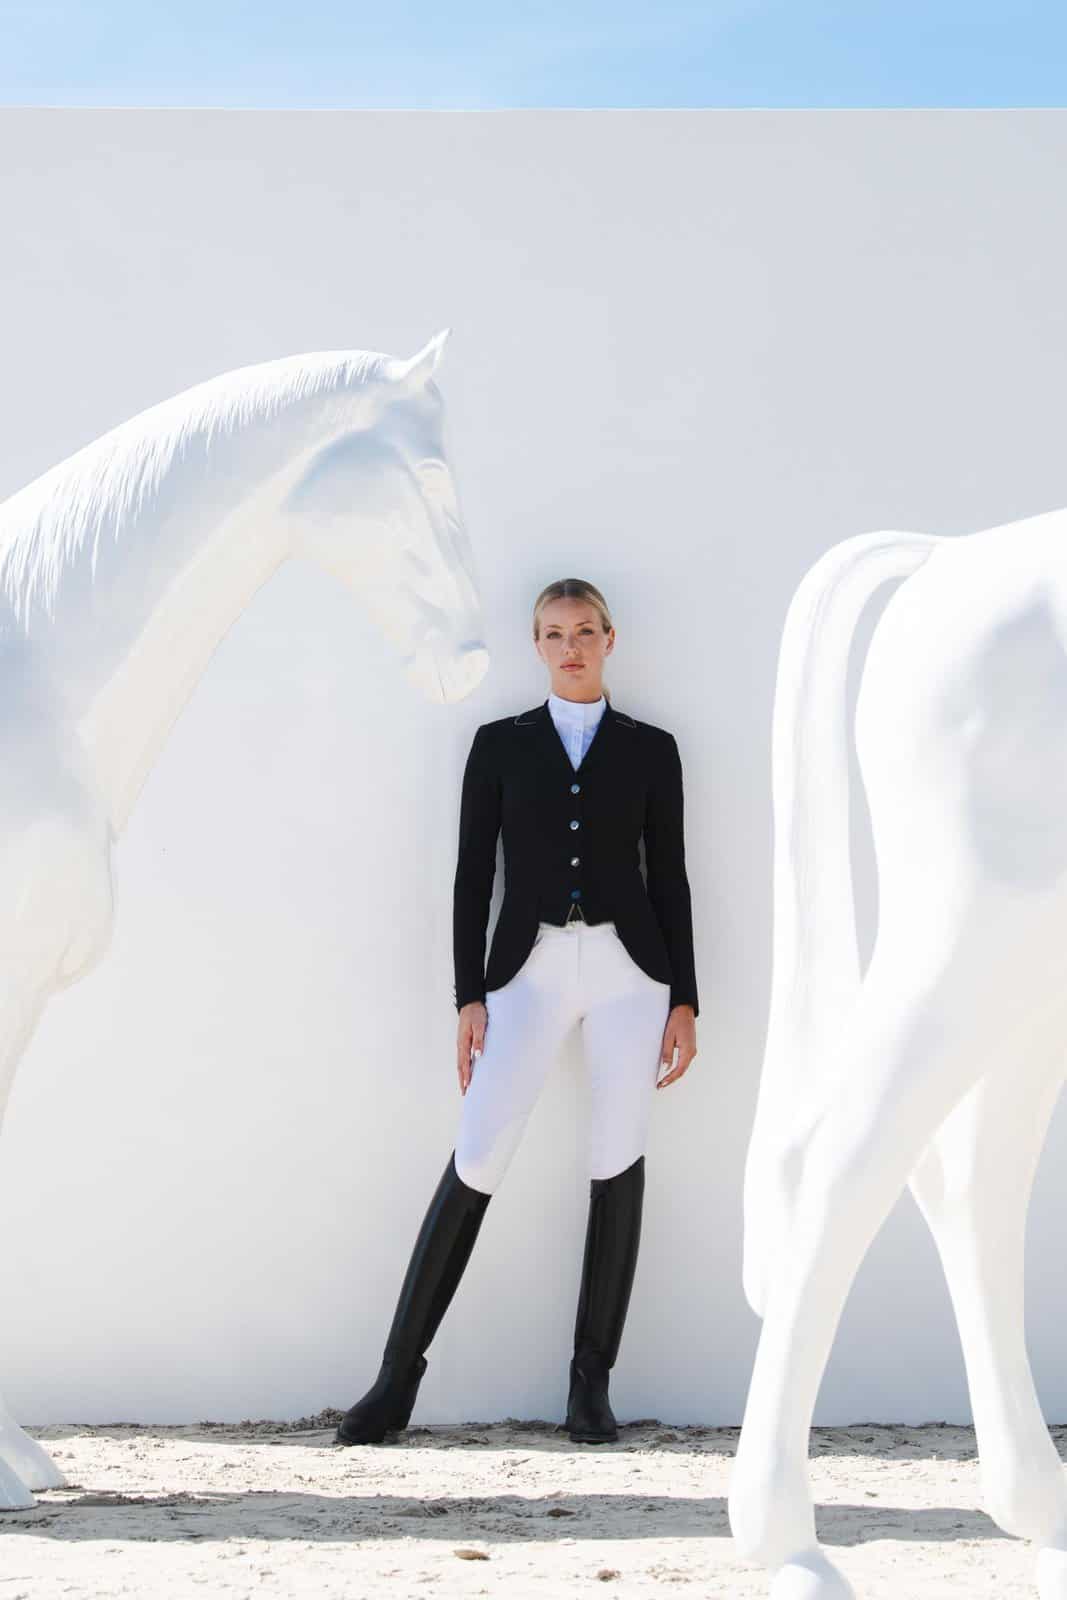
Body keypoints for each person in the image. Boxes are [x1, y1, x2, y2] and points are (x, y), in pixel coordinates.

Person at [335, 577, 699, 1447]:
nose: (570, 647)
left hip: (629, 973)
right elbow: (472, 876)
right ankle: (395, 1379)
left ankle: (589, 1385)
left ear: (609, 638)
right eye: (553, 633)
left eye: (584, 631)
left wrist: (685, 998)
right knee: (478, 1152)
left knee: (617, 1155)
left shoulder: (651, 749)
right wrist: (467, 994)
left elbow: (670, 876)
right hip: (525, 972)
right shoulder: (498, 745)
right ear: (536, 645)